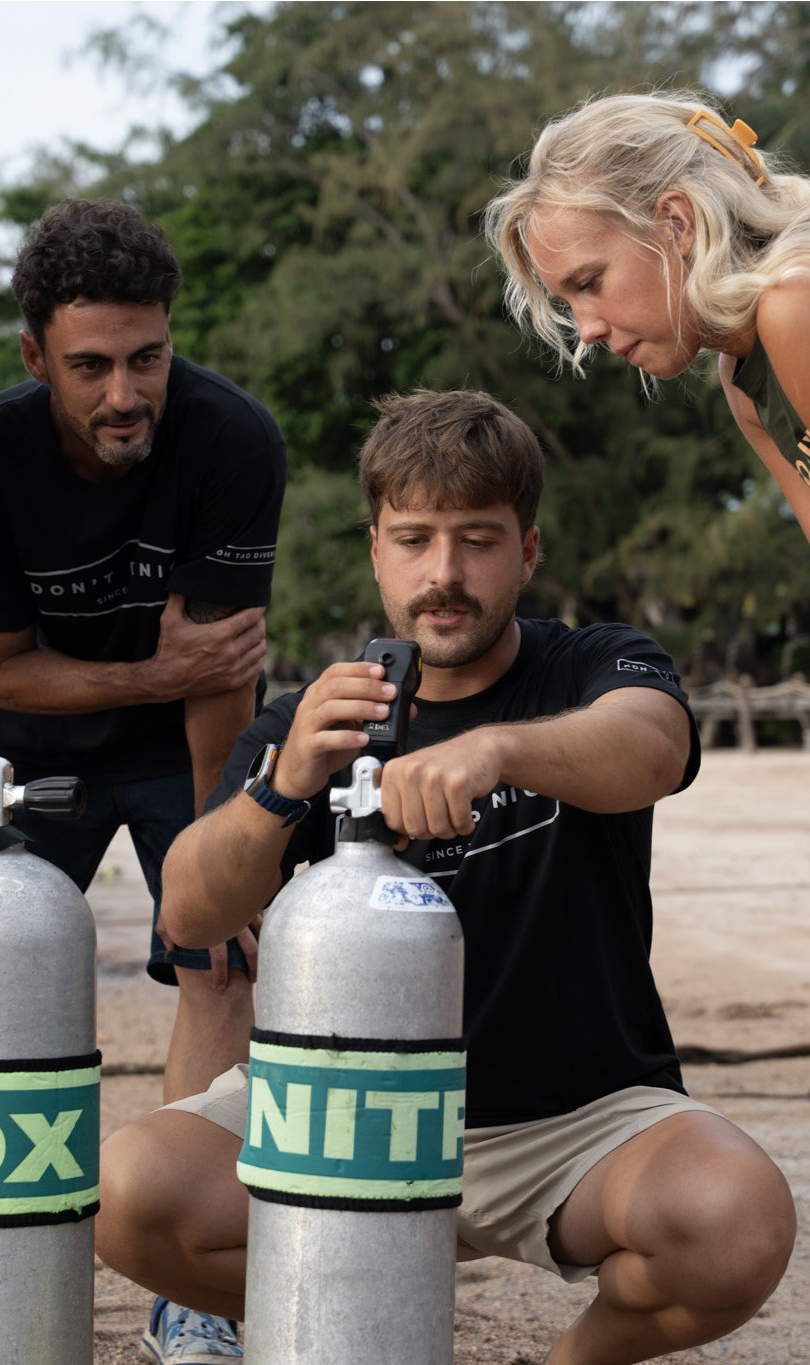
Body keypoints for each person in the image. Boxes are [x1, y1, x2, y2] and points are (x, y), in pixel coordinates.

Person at [96, 389, 795, 1364]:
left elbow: (653, 744)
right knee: (129, 1196)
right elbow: (192, 910)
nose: (445, 573)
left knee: (739, 1224)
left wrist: (497, 751)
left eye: (477, 539)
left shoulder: (591, 667)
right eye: (415, 540)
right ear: (376, 547)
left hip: (574, 1122)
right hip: (343, 1122)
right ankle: (367, 1305)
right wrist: (287, 781)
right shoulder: (312, 718)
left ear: (529, 550)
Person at [0, 197, 286, 1350]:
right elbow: (9, 675)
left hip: (185, 730)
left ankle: (187, 1290)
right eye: (91, 366)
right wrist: (146, 669)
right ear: (36, 356)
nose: (125, 394)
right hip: (25, 739)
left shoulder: (233, 440)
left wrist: (216, 846)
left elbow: (220, 674)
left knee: (219, 966)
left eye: (148, 358)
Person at [485, 88, 810, 543]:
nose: (587, 330)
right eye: (568, 303)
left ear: (676, 223)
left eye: (590, 282)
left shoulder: (794, 302)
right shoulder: (741, 376)